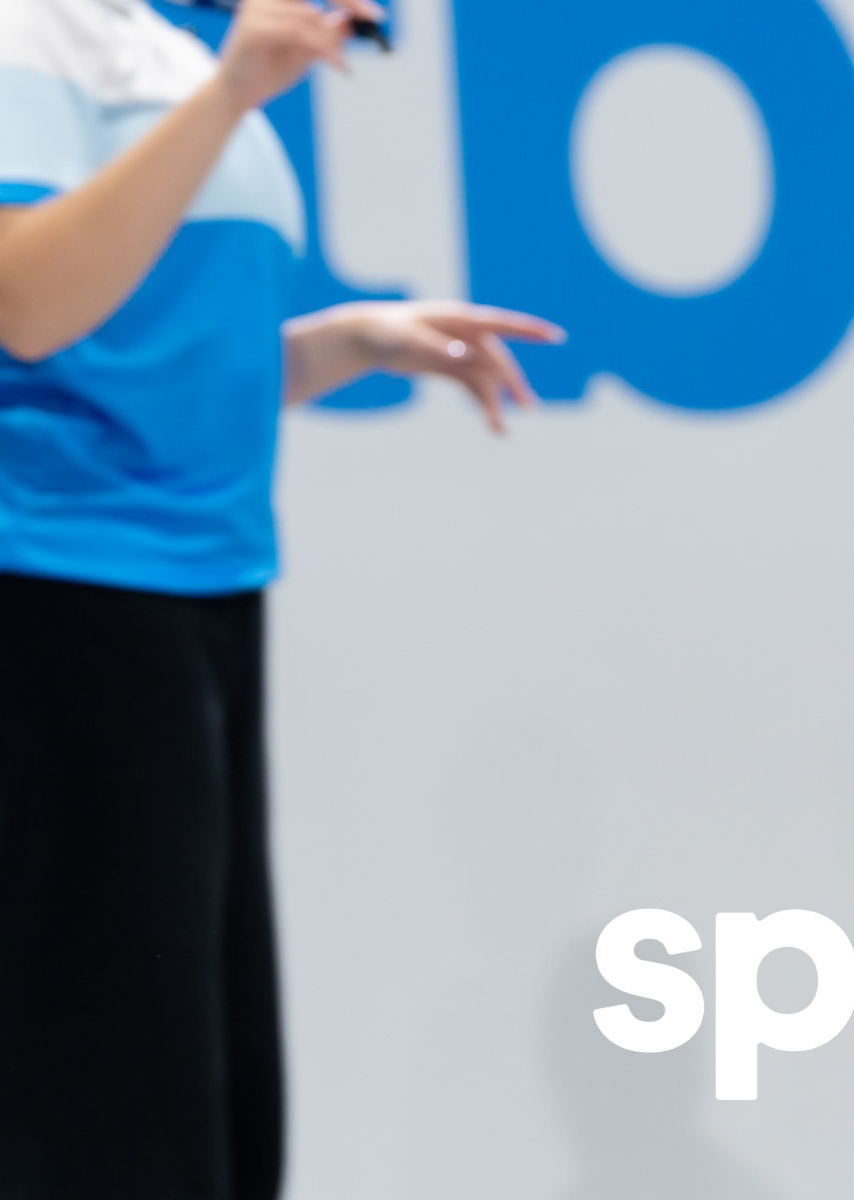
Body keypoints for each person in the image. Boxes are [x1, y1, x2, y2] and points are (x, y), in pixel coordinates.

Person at [0, 1, 560, 1197]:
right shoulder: (37, 33)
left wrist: (346, 343)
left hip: (200, 591)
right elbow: (28, 306)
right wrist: (225, 99)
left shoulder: (157, 46)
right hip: (58, 589)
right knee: (97, 1087)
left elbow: (149, 359)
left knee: (208, 1076)